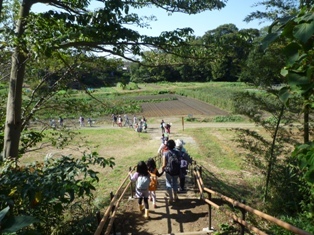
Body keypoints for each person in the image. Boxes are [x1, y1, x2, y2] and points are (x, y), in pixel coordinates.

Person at [162, 139, 181, 204]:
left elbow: (164, 165)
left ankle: (170, 197)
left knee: (168, 183)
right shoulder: (178, 153)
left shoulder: (165, 153)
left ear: (167, 146)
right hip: (176, 171)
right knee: (175, 183)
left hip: (168, 171)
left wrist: (162, 170)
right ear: (174, 145)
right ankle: (175, 196)